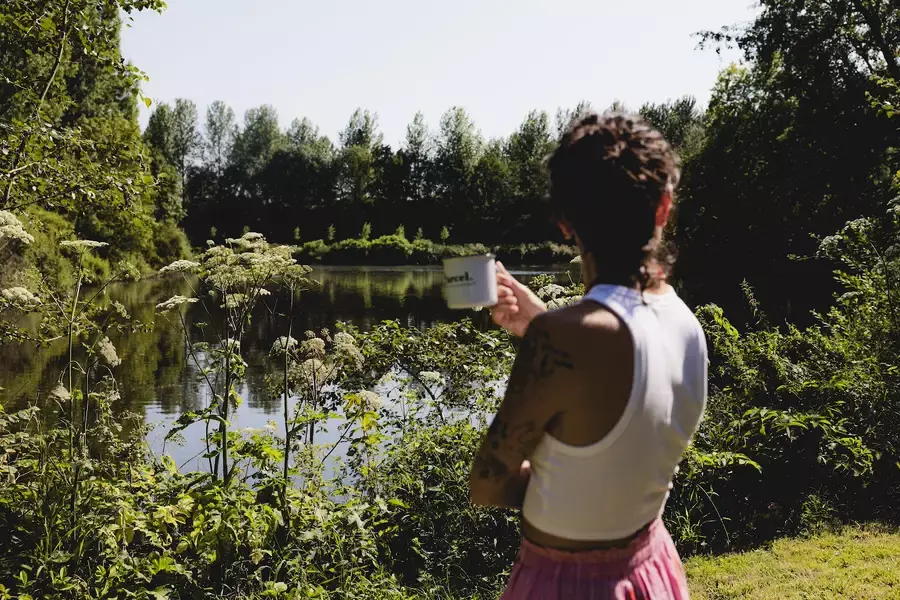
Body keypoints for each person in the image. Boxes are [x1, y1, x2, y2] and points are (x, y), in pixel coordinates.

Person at [469, 113, 708, 599]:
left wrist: (551, 482)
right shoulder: (684, 322)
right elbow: (624, 431)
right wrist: (542, 320)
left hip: (565, 584)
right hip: (650, 567)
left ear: (564, 222)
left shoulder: (562, 340)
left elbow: (487, 485)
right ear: (663, 208)